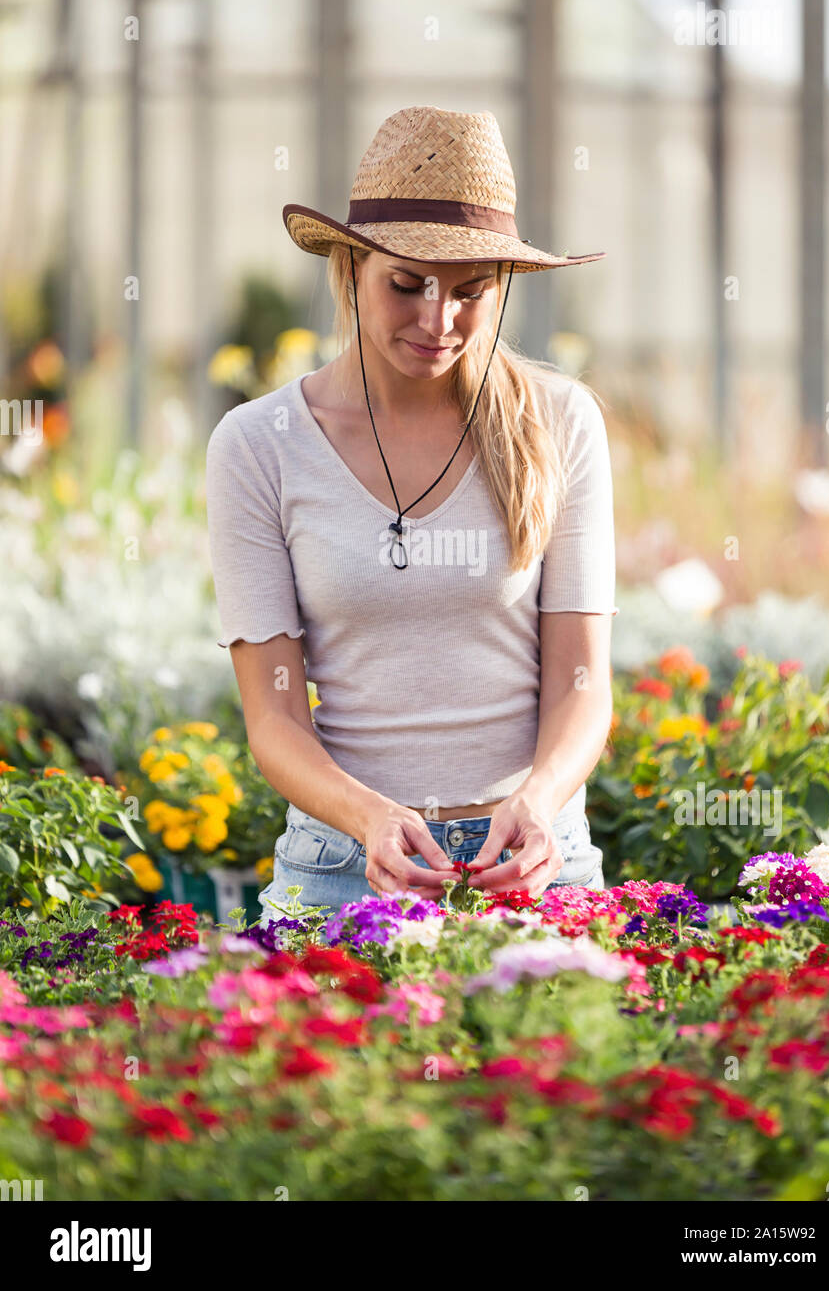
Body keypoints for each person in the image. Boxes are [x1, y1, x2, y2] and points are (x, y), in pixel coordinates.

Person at [205, 105, 619, 923]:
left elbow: (583, 681)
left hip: (533, 859)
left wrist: (537, 802)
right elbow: (275, 716)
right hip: (343, 866)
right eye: (406, 286)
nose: (440, 322)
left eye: (473, 293)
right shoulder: (258, 445)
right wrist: (371, 818)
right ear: (350, 266)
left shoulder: (559, 423)